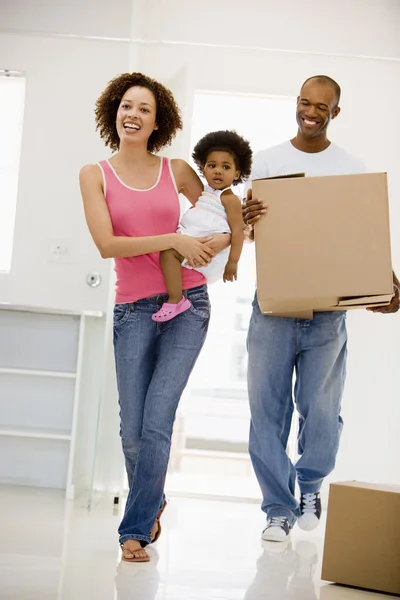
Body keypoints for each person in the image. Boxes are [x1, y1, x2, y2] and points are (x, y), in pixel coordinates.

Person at [79, 72, 231, 562]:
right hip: (132, 309)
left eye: (144, 109)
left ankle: (135, 529)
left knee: (158, 419)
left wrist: (225, 239)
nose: (133, 115)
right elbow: (107, 245)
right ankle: (153, 497)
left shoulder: (178, 171)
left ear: (157, 121)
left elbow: (219, 211)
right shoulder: (94, 174)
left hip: (187, 303)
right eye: (127, 106)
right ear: (113, 113)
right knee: (132, 428)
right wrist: (172, 240)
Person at [242, 75, 400, 542]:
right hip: (274, 304)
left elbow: (359, 232)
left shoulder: (350, 165)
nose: (311, 113)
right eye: (305, 104)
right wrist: (247, 224)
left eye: (322, 107)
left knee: (322, 408)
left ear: (336, 112)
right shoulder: (268, 160)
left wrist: (382, 278)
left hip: (328, 310)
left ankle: (309, 484)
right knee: (266, 411)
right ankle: (277, 508)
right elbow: (256, 237)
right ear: (296, 103)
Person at [152, 130, 252, 322]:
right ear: (203, 169)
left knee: (167, 253)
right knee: (167, 253)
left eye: (226, 167)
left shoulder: (230, 199)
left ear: (236, 173)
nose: (218, 171)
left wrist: (233, 262)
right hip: (195, 244)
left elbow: (238, 231)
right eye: (212, 165)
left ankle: (176, 300)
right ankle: (176, 296)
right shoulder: (207, 193)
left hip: (210, 251)